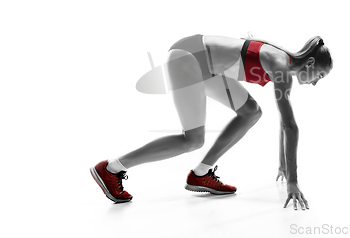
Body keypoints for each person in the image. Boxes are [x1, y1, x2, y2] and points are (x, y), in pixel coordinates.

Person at [90, 34, 333, 210]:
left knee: (251, 112)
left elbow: (285, 122)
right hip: (189, 57)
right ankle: (111, 168)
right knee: (192, 140)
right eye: (320, 76)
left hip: (207, 65)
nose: (315, 83)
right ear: (310, 64)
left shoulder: (284, 66)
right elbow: (291, 126)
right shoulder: (281, 66)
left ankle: (201, 174)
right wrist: (293, 182)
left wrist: (283, 164)